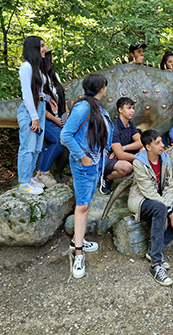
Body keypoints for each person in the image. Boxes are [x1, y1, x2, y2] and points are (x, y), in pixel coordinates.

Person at [61, 74, 114, 279]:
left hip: (95, 164)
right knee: (82, 206)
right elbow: (65, 135)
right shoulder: (83, 107)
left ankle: (77, 240)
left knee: (86, 203)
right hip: (85, 165)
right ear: (101, 87)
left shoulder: (96, 107)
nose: (106, 89)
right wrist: (82, 157)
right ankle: (78, 253)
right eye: (105, 86)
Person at [128, 130, 173, 286]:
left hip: (162, 201)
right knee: (160, 209)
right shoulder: (138, 163)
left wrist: (168, 208)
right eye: (157, 142)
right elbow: (148, 191)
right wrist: (169, 213)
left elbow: (170, 185)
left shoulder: (165, 158)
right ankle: (155, 265)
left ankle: (153, 251)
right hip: (142, 200)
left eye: (161, 141)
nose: (162, 145)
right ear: (148, 147)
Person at [17, 36, 48, 195]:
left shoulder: (37, 67)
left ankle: (28, 177)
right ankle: (23, 182)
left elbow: (39, 92)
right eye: (42, 46)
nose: (45, 48)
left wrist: (48, 100)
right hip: (30, 111)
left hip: (40, 108)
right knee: (27, 147)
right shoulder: (26, 67)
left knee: (36, 147)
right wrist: (34, 116)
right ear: (34, 48)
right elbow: (27, 94)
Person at [35, 50, 67, 187]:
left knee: (51, 145)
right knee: (59, 140)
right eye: (49, 58)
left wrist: (65, 116)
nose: (52, 61)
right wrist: (55, 120)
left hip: (58, 117)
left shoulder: (55, 77)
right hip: (43, 118)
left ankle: (42, 174)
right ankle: (43, 172)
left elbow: (61, 100)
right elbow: (39, 104)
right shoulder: (37, 77)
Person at [99, 97, 143, 194]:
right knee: (127, 167)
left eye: (133, 108)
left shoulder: (130, 125)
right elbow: (120, 155)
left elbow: (141, 142)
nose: (132, 111)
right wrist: (140, 158)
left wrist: (123, 147)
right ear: (120, 110)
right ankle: (106, 178)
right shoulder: (114, 127)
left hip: (122, 154)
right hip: (108, 158)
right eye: (128, 108)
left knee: (144, 149)